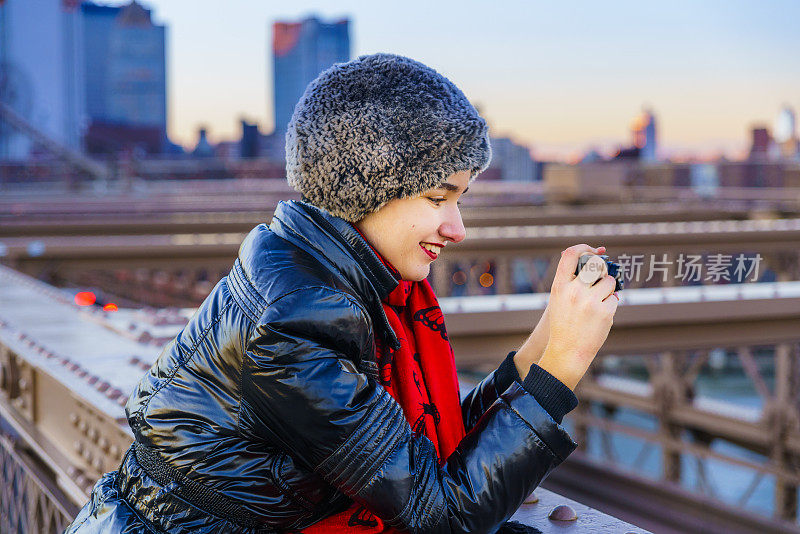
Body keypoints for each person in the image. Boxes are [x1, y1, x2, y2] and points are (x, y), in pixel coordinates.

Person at [65, 53, 618, 534]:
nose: (457, 228)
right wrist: (565, 365)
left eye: (461, 200)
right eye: (436, 197)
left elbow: (419, 456)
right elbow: (443, 514)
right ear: (368, 187)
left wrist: (546, 339)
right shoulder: (295, 322)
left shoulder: (319, 278)